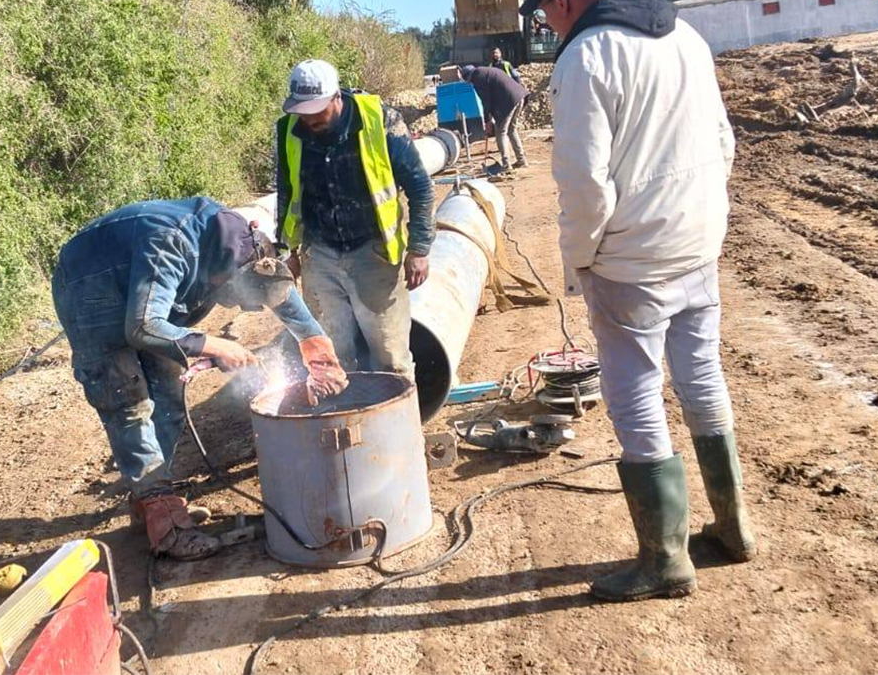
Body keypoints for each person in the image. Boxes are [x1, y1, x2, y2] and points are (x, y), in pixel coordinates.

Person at [520, 0, 754, 602]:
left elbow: (584, 185)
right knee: (702, 376)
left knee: (635, 394)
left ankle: (664, 561)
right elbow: (724, 141)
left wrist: (581, 258)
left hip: (631, 259)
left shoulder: (586, 58)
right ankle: (733, 529)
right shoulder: (685, 36)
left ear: (561, 1)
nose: (548, 26)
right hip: (697, 241)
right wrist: (702, 215)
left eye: (544, 13)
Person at [51, 198, 348, 561]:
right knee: (129, 401)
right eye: (240, 301)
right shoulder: (172, 245)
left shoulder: (243, 249)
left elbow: (280, 296)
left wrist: (319, 353)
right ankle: (167, 528)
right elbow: (143, 326)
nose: (241, 308)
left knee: (168, 397)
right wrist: (215, 345)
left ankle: (152, 502)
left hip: (144, 301)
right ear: (222, 277)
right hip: (91, 288)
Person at [274, 59, 435, 379]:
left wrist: (419, 248)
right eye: (303, 112)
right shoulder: (289, 130)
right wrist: (286, 251)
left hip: (373, 252)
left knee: (391, 358)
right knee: (330, 358)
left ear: (337, 97)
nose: (309, 119)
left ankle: (396, 428)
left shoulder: (380, 121)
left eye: (316, 111)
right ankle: (341, 422)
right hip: (319, 256)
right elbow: (287, 192)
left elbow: (420, 186)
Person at [458, 63, 529, 170]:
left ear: (469, 77)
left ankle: (506, 165)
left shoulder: (478, 78)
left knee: (500, 132)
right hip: (519, 97)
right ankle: (522, 160)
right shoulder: (485, 70)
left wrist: (487, 122)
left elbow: (486, 101)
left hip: (509, 101)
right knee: (511, 129)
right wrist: (490, 119)